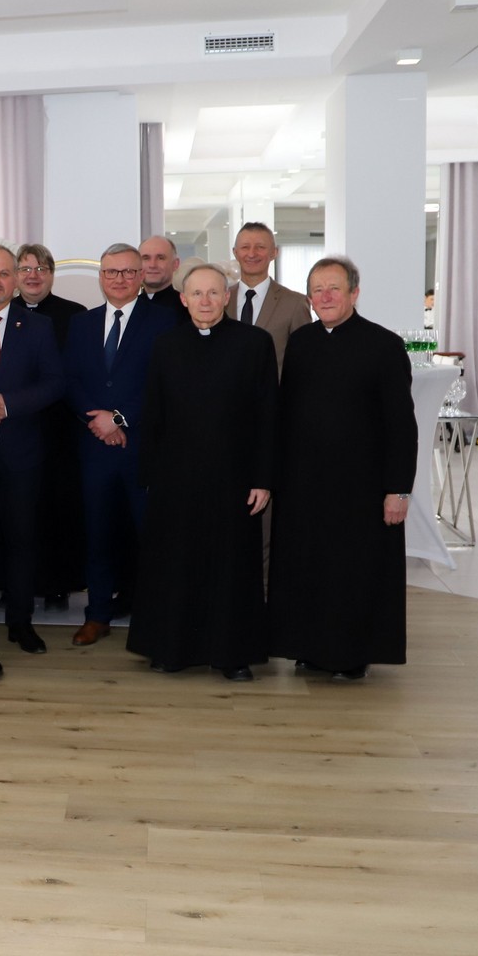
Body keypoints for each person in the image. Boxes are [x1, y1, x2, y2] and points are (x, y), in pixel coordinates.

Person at [269, 256, 417, 681]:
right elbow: (287, 413)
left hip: (362, 489)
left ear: (354, 292)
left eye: (334, 288)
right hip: (305, 486)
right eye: (317, 290)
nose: (326, 296)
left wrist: (398, 490)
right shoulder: (302, 343)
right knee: (309, 568)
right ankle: (309, 648)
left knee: (354, 573)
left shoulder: (384, 345)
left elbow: (401, 426)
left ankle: (353, 655)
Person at [126, 264, 277, 681]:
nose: (205, 301)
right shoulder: (166, 345)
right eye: (197, 294)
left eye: (213, 293)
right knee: (176, 564)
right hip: (176, 478)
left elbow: (268, 415)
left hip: (235, 477)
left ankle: (233, 655)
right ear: (183, 299)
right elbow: (154, 412)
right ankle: (172, 649)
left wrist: (263, 478)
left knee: (233, 567)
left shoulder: (255, 343)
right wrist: (150, 476)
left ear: (226, 297)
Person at [62, 243, 176, 647]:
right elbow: (69, 379)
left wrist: (121, 418)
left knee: (151, 537)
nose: (120, 279)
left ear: (141, 276)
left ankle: (158, 617)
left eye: (129, 271)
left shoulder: (166, 322)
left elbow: (165, 383)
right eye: (112, 272)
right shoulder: (81, 323)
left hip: (143, 449)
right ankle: (97, 615)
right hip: (95, 449)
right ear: (101, 277)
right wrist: (98, 420)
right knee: (97, 535)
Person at [0, 244, 64, 654]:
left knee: (22, 541)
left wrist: (8, 403)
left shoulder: (38, 327)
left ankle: (21, 623)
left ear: (16, 280)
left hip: (21, 454)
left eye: (4, 274)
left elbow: (55, 383)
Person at [16, 242, 88, 608]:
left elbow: (79, 372)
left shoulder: (75, 316)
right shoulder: (1, 312)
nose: (33, 276)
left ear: (52, 275)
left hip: (59, 430)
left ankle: (57, 585)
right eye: (26, 269)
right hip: (13, 428)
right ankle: (14, 585)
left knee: (57, 511)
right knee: (15, 513)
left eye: (41, 269)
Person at [229, 222, 313, 372]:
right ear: (235, 253)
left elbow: (305, 359)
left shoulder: (295, 303)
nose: (252, 254)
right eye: (245, 247)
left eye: (260, 247)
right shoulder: (221, 301)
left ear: (274, 252)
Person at [139, 236, 191, 323]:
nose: (152, 265)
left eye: (160, 258)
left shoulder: (189, 309)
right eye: (146, 258)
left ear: (175, 264)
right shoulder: (128, 307)